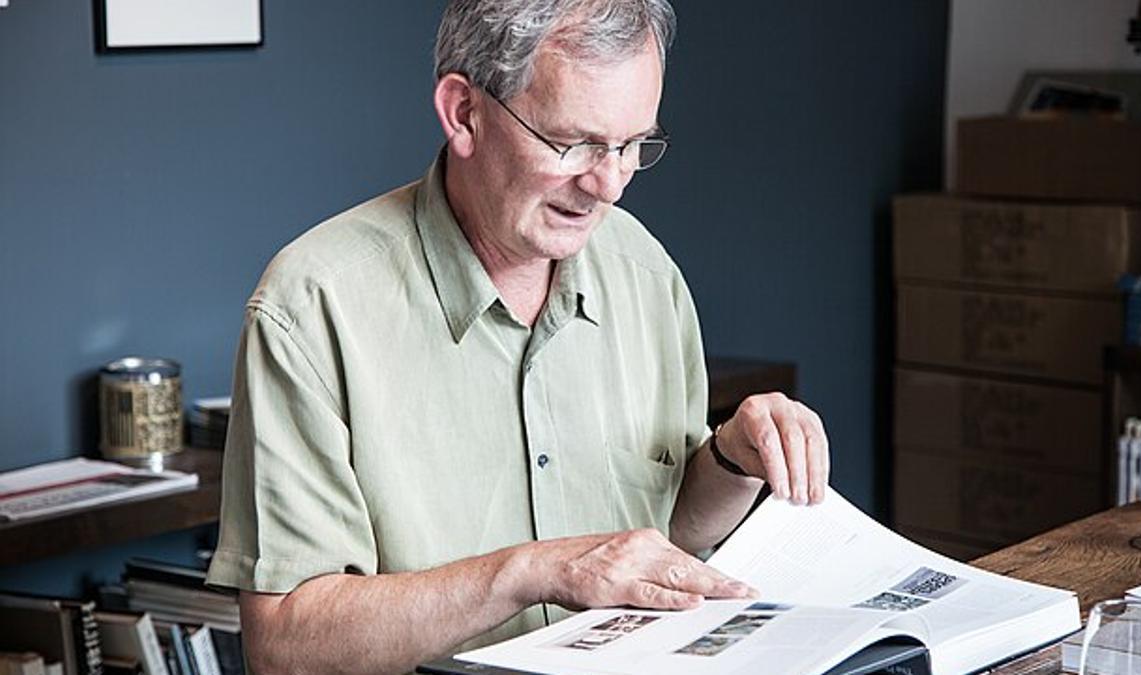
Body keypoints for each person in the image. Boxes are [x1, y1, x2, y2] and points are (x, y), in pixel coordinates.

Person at [205, 1, 830, 673]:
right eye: (573, 143)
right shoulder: (312, 306)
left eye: (631, 146)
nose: (609, 185)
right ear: (464, 113)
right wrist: (533, 571)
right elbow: (284, 645)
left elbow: (665, 536)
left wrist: (732, 459)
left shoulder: (644, 272)